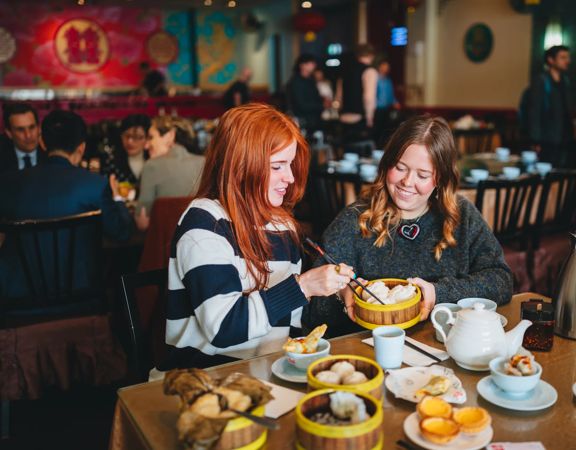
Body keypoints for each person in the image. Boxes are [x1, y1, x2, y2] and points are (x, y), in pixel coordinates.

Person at [157, 103, 354, 372]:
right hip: (205, 376)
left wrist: (339, 291)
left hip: (270, 369)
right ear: (240, 165)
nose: (290, 177)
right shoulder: (204, 224)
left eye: (290, 164)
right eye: (277, 166)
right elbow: (223, 328)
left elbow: (290, 319)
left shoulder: (281, 224)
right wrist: (304, 286)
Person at [303, 115, 513, 335]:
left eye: (423, 175)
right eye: (400, 167)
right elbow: (313, 313)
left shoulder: (461, 216)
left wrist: (438, 293)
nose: (407, 182)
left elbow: (501, 280)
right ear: (386, 165)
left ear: (440, 179)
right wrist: (342, 293)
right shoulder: (355, 220)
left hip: (444, 346)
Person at [0, 110, 133, 298]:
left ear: (42, 143)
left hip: (18, 301)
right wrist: (118, 197)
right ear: (81, 148)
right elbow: (122, 233)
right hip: (80, 297)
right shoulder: (95, 185)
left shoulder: (8, 183)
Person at [134, 116, 205, 231]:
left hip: (163, 247)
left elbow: (142, 223)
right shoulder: (204, 163)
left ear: (169, 136)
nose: (146, 146)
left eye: (151, 137)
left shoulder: (151, 166)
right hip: (199, 244)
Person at [528, 45, 574, 167]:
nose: (567, 61)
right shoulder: (541, 80)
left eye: (568, 58)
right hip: (547, 138)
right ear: (551, 60)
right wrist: (535, 139)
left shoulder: (566, 80)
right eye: (563, 57)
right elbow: (534, 111)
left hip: (566, 137)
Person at [336, 44, 378, 144]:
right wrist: (369, 118)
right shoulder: (369, 71)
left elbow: (338, 97)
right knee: (362, 155)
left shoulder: (344, 71)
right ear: (371, 55)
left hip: (343, 118)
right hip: (359, 119)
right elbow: (368, 97)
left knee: (346, 155)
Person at [100, 114, 150, 188]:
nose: (129, 141)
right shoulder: (111, 161)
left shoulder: (154, 160)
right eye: (126, 136)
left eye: (136, 137)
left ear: (147, 138)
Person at [0, 103, 47, 174]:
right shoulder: (3, 158)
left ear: (39, 128)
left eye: (32, 127)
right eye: (20, 130)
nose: (28, 135)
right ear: (9, 133)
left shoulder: (49, 155)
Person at [286, 54, 324, 133]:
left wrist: (322, 101)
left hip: (314, 118)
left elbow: (315, 98)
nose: (314, 65)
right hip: (303, 120)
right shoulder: (296, 82)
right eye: (311, 63)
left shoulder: (311, 80)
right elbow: (301, 105)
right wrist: (321, 105)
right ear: (302, 65)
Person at [374, 58, 401, 146]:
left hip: (386, 109)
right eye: (384, 66)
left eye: (387, 67)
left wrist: (395, 102)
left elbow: (391, 95)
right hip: (376, 109)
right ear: (380, 67)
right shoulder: (375, 79)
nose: (386, 69)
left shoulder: (388, 80)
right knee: (376, 131)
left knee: (385, 131)